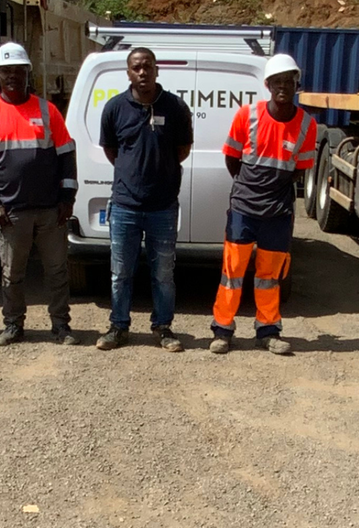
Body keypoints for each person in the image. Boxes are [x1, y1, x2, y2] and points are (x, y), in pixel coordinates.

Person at [0, 42, 79, 346]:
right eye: (6, 72)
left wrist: (67, 198)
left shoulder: (48, 110)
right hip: (10, 213)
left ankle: (61, 326)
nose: (13, 76)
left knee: (57, 272)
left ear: (27, 73)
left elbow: (67, 156)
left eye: (18, 71)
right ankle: (13, 324)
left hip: (49, 210)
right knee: (12, 274)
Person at [210, 53, 317, 356]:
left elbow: (301, 168)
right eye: (278, 81)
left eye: (290, 81)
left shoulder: (308, 124)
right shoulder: (248, 115)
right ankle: (222, 330)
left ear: (297, 84)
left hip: (278, 213)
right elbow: (232, 159)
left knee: (270, 277)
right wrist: (250, 189)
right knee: (232, 273)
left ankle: (268, 332)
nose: (284, 87)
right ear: (268, 85)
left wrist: (273, 193)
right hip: (244, 209)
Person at [95, 47, 193, 352]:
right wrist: (132, 173)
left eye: (147, 66)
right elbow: (112, 151)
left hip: (163, 206)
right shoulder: (114, 108)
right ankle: (118, 327)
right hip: (125, 205)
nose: (142, 72)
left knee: (163, 273)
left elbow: (182, 150)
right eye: (136, 67)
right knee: (120, 272)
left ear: (156, 70)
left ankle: (163, 328)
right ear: (128, 73)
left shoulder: (176, 108)